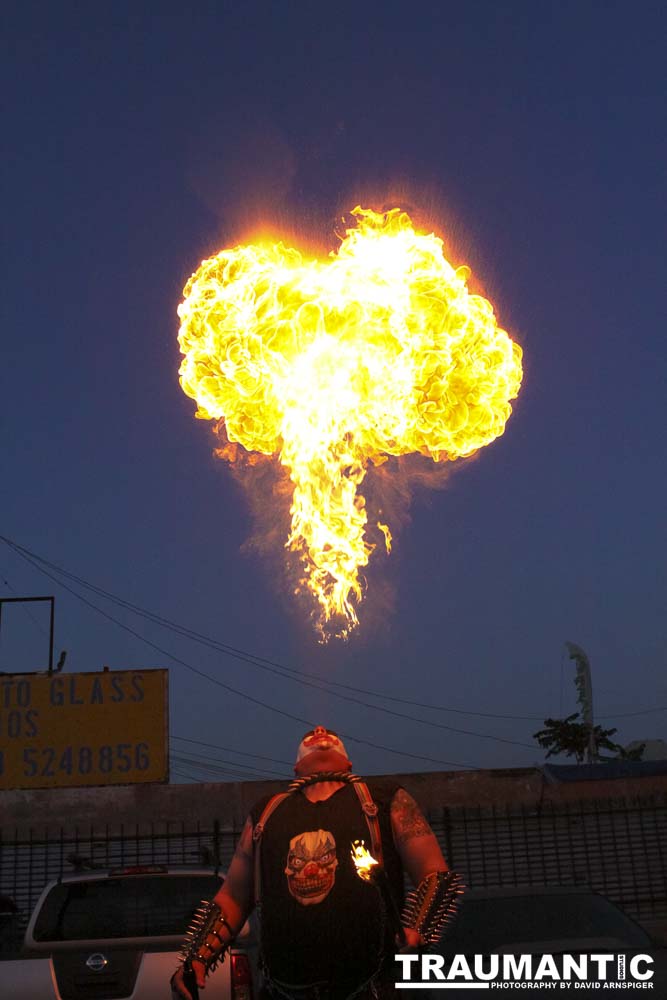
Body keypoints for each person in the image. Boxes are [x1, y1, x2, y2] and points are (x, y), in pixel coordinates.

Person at [171, 726, 459, 1000]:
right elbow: (233, 897)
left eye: (329, 733)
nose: (320, 730)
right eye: (311, 733)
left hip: (371, 990)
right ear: (296, 767)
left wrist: (418, 929)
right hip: (281, 993)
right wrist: (198, 955)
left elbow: (436, 875)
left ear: (348, 762)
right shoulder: (266, 814)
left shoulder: (383, 799)